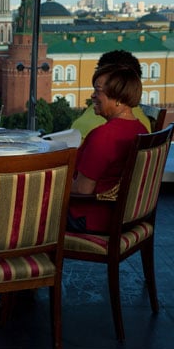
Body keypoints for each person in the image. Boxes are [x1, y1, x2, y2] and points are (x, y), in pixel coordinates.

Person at [67, 63, 148, 234]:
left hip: (90, 218)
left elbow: (83, 189)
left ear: (118, 97)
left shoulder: (104, 135)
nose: (92, 95)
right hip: (123, 217)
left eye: (98, 90)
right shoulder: (140, 129)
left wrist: (49, 184)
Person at [71, 50, 151, 140]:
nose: (92, 95)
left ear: (119, 86)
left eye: (98, 89)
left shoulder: (103, 133)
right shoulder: (139, 125)